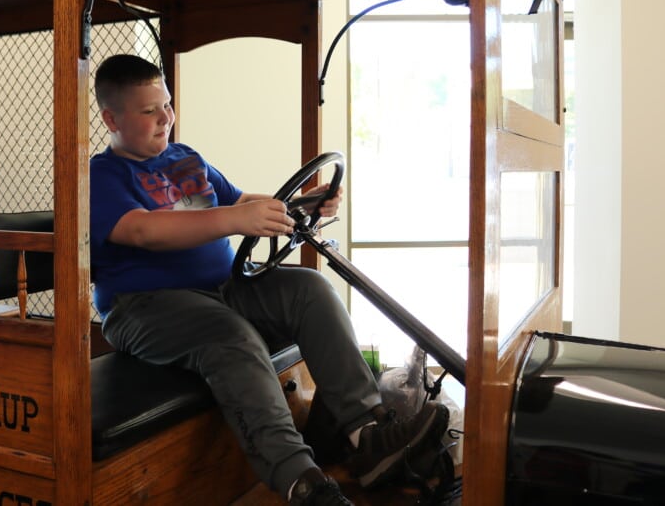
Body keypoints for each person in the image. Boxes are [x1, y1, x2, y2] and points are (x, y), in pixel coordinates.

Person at [89, 54, 448, 505]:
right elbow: (144, 230)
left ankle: (366, 435)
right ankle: (302, 481)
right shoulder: (100, 176)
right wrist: (236, 219)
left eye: (168, 104)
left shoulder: (184, 159)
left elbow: (239, 200)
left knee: (310, 290)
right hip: (145, 306)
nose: (166, 117)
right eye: (149, 111)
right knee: (229, 336)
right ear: (111, 117)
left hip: (222, 289)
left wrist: (302, 203)